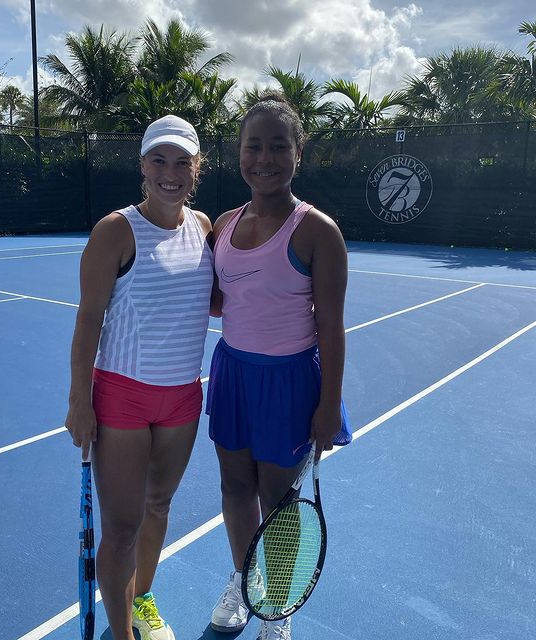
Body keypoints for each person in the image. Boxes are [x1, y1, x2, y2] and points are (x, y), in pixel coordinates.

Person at [206, 95, 352, 640]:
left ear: (297, 153)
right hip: (232, 375)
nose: (263, 158)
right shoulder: (223, 224)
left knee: (279, 502)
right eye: (253, 146)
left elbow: (331, 327)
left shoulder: (317, 231)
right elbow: (223, 299)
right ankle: (248, 580)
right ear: (238, 154)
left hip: (289, 382)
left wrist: (328, 405)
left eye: (277, 146)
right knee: (234, 487)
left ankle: (280, 601)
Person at [65, 114, 213, 640]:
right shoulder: (115, 231)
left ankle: (143, 599)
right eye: (159, 160)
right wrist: (79, 400)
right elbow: (88, 318)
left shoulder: (204, 229)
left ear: (197, 169)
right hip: (122, 397)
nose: (169, 172)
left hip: (182, 399)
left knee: (158, 505)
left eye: (181, 162)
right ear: (143, 166)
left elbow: (219, 301)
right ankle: (122, 632)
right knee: (122, 527)